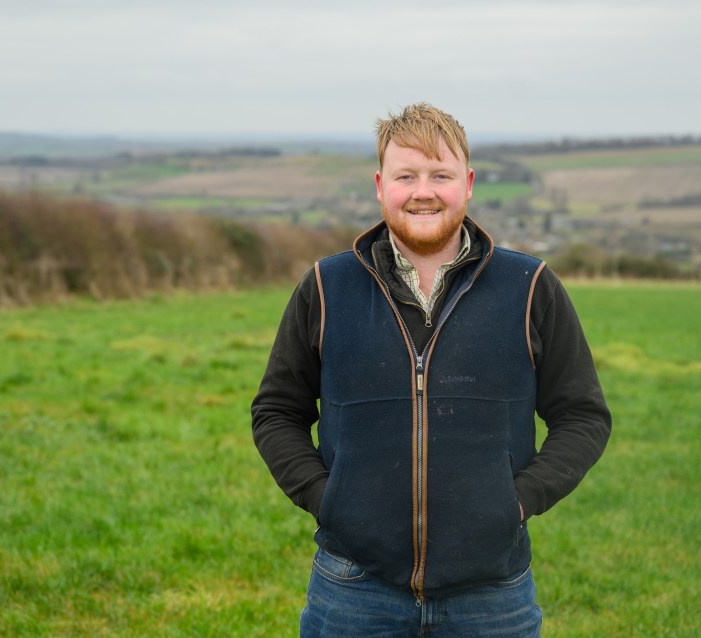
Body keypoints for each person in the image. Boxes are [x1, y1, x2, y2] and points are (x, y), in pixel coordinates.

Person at [251, 102, 611, 637]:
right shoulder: (327, 287)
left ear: (467, 183)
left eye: (440, 174)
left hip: (492, 592)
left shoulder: (530, 287)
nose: (424, 191)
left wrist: (518, 501)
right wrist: (330, 501)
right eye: (406, 176)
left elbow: (583, 416)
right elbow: (277, 411)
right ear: (380, 185)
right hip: (352, 585)